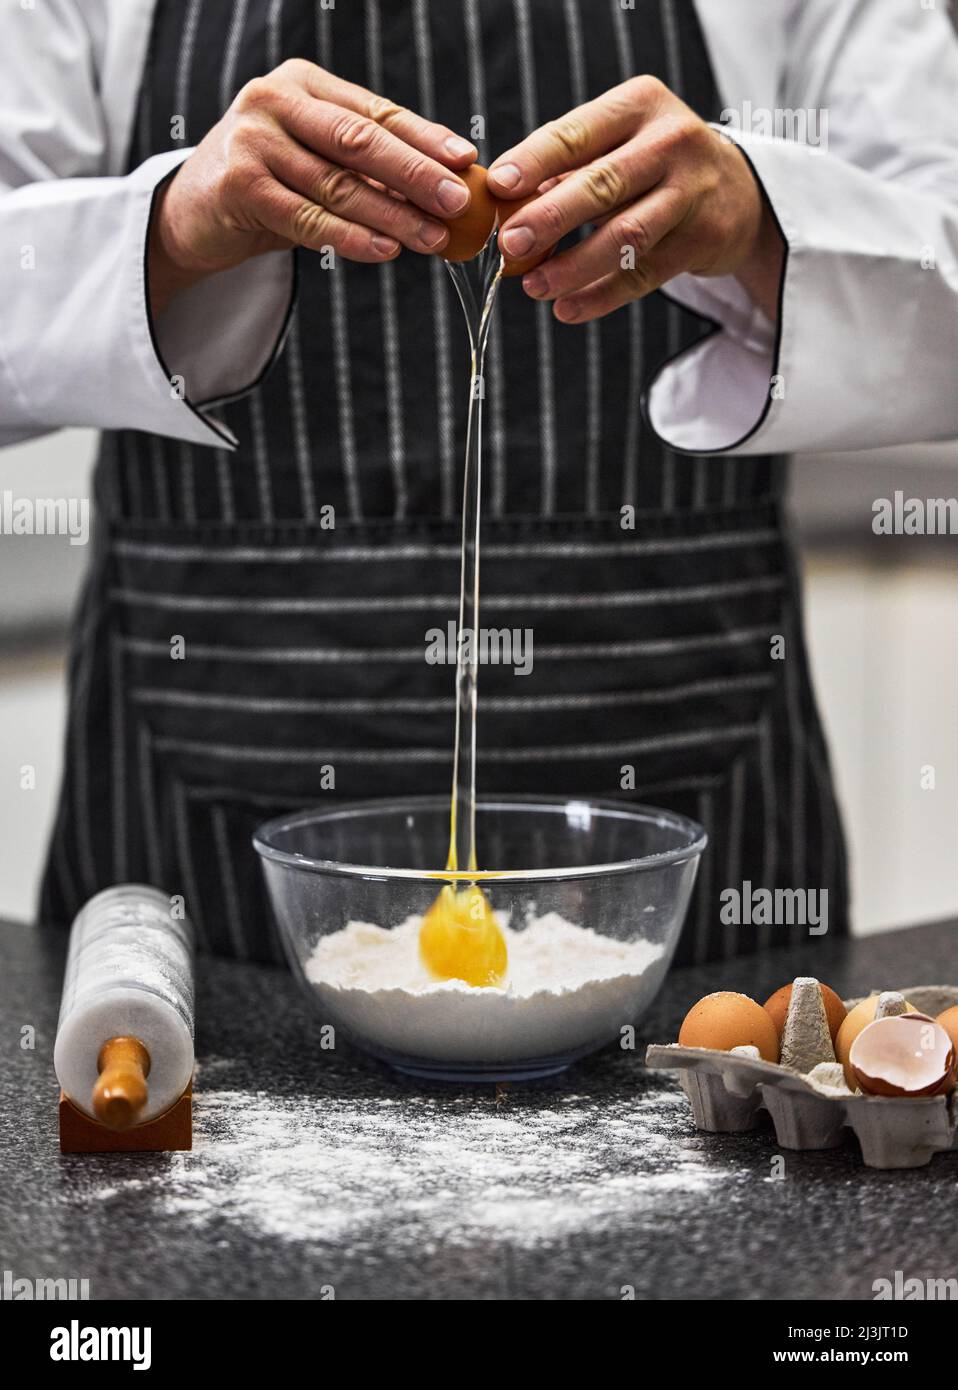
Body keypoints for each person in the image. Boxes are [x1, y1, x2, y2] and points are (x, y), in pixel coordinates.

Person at [2, 0, 957, 964]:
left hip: (697, 776)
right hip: (192, 809)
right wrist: (167, 225)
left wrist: (759, 216)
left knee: (741, 1116)